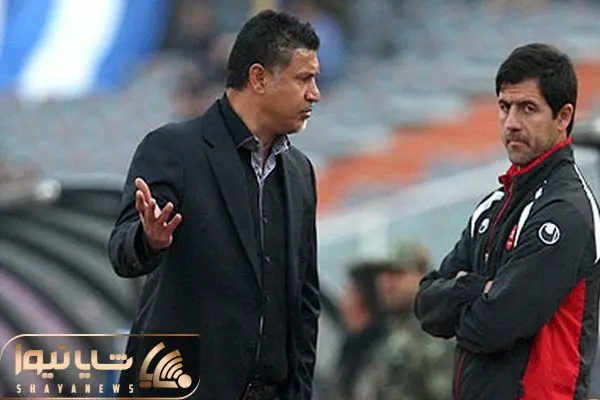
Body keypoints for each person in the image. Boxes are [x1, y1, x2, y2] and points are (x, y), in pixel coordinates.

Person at [108, 9, 321, 400]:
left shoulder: (299, 172)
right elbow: (122, 252)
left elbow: (305, 302)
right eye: (303, 78)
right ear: (259, 78)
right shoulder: (173, 149)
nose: (314, 93)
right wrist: (148, 239)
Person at [415, 43, 600, 399]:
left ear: (563, 117)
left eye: (528, 108)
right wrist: (475, 289)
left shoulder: (566, 211)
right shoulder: (493, 206)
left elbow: (492, 327)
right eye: (504, 107)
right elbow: (425, 305)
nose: (512, 123)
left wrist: (462, 298)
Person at [354, 243, 453, 400]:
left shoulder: (436, 334)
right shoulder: (387, 333)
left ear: (423, 275)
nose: (386, 284)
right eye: (382, 275)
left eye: (396, 273)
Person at [332, 260, 388, 400]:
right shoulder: (350, 348)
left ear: (362, 297)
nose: (341, 301)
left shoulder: (383, 350)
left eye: (347, 291)